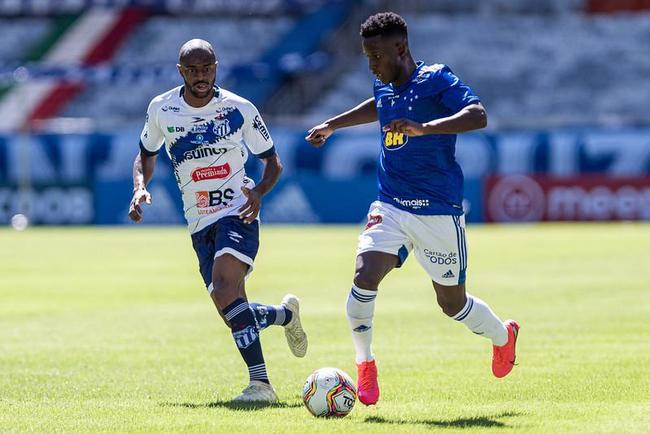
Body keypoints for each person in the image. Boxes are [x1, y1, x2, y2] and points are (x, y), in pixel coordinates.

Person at [305, 12, 519, 406]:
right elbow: (379, 104)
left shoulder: (436, 79)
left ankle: (503, 336)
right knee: (364, 275)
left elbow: (479, 115)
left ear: (400, 48)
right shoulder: (385, 85)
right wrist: (333, 124)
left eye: (376, 56)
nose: (372, 64)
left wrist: (426, 128)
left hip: (438, 210)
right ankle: (364, 365)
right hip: (391, 204)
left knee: (452, 304)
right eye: (367, 56)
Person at [128, 39, 307, 403]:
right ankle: (283, 315)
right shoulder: (162, 109)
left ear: (216, 67)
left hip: (236, 212)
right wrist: (139, 188)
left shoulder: (238, 109)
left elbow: (272, 161)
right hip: (198, 222)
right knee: (232, 314)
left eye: (206, 68)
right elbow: (145, 153)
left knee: (226, 287)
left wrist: (258, 192)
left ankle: (261, 386)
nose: (200, 76)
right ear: (180, 72)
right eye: (192, 70)